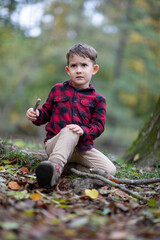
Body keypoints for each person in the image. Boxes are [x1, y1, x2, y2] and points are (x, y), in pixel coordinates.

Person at [26, 43, 116, 187]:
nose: (79, 70)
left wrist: (84, 130)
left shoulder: (98, 100)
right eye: (74, 66)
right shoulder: (58, 90)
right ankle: (54, 168)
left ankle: (69, 168)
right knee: (70, 129)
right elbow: (45, 114)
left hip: (82, 148)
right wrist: (36, 114)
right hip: (56, 145)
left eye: (84, 65)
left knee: (110, 169)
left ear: (94, 69)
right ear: (68, 70)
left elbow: (98, 127)